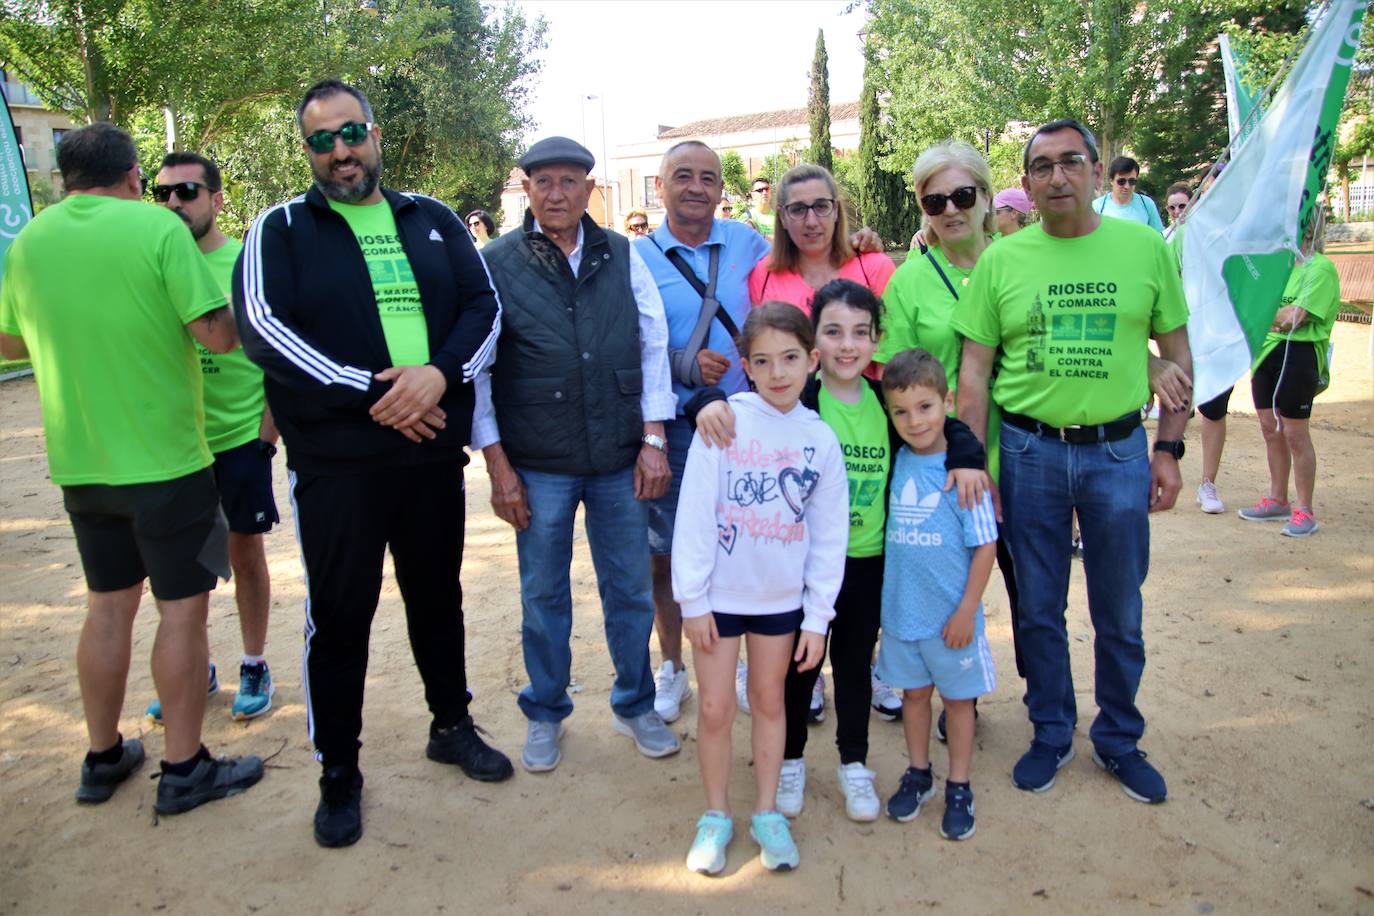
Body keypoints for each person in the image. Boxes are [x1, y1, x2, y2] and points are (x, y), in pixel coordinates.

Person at [235, 79, 512, 849]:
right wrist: (373, 393)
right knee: (341, 618)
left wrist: (440, 376)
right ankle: (338, 774)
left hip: (428, 452)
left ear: (375, 133)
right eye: (322, 140)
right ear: (307, 150)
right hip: (339, 465)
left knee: (437, 598)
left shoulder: (433, 217)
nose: (340, 152)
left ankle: (450, 725)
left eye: (350, 133)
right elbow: (265, 331)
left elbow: (483, 308)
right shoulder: (281, 228)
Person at [0, 122, 263, 814]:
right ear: (131, 176)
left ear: (65, 178)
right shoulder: (157, 232)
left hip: (82, 465)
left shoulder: (31, 240)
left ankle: (103, 755)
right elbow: (218, 334)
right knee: (183, 613)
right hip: (169, 464)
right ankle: (185, 769)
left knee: (108, 608)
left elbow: (7, 342)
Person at [686, 280, 987, 823]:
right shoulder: (799, 398)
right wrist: (704, 399)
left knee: (853, 667)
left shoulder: (883, 403)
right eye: (833, 331)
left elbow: (941, 424)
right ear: (815, 344)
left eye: (860, 332)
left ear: (877, 339)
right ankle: (793, 759)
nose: (847, 345)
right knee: (798, 673)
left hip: (870, 562)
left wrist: (967, 453)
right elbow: (742, 408)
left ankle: (854, 763)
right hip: (801, 566)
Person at [955, 118, 1193, 805]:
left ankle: (1118, 737)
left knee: (1119, 608)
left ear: (1095, 170)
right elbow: (975, 375)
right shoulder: (1002, 260)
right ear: (1027, 182)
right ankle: (1052, 731)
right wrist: (972, 464)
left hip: (1118, 455)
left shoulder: (1145, 249)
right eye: (1041, 166)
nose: (1057, 176)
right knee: (1037, 608)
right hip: (1028, 455)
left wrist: (1169, 449)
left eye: (1071, 162)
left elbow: (1177, 358)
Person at [472, 135, 681, 774]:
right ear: (527, 189)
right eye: (544, 182)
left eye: (569, 181)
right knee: (543, 593)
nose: (556, 193)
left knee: (629, 589)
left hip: (620, 456)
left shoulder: (623, 254)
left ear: (590, 189)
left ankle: (636, 703)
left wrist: (652, 440)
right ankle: (544, 711)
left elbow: (651, 345)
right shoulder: (495, 261)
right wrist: (498, 466)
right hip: (538, 462)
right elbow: (478, 369)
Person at [672, 303, 848, 875]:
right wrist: (692, 601)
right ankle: (717, 815)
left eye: (791, 359)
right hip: (719, 603)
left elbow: (828, 536)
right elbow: (694, 515)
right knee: (718, 708)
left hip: (781, 603)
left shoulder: (819, 440)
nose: (778, 373)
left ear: (813, 361)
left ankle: (767, 812)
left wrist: (818, 618)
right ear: (745, 366)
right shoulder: (723, 422)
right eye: (764, 361)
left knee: (771, 703)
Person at [877, 139, 1018, 743]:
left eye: (963, 195)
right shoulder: (909, 281)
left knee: (1030, 589)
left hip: (1021, 450)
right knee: (945, 578)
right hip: (944, 465)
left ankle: (1048, 703)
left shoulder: (1019, 262)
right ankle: (961, 698)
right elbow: (897, 375)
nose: (951, 210)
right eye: (935, 201)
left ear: (987, 198)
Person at [634, 141, 771, 724]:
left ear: (721, 189)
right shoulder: (634, 257)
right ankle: (672, 666)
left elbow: (804, 278)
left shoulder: (750, 243)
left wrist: (861, 247)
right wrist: (677, 362)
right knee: (665, 554)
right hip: (672, 431)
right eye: (682, 176)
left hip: (749, 430)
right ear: (660, 187)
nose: (695, 186)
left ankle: (740, 659)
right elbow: (621, 345)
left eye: (708, 177)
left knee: (747, 548)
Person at [143, 151, 279, 726]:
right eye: (163, 193)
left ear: (217, 199)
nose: (174, 203)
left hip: (239, 438)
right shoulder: (150, 263)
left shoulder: (244, 264)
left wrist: (265, 437)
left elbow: (278, 354)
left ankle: (253, 662)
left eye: (188, 191)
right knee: (180, 565)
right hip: (175, 446)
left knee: (244, 552)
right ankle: (195, 667)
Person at [878, 348, 998, 841]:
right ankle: (920, 772)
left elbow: (985, 544)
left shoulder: (961, 470)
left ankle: (960, 784)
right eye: (901, 411)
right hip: (903, 616)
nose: (915, 421)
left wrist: (968, 610)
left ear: (947, 401)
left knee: (958, 703)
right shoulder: (895, 459)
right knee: (913, 697)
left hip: (952, 620)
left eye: (926, 407)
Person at [1236, 214, 1339, 538]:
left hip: (1300, 353)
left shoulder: (1320, 268)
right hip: (1265, 354)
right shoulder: (1277, 267)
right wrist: (1269, 316)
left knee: (1295, 433)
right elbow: (1252, 306)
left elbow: (1294, 318)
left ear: (1313, 227)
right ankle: (1277, 498)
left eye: (1303, 222)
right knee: (1270, 429)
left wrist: (1266, 315)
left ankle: (1304, 508)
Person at [747, 163, 896, 316]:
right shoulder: (762, 276)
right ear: (782, 217)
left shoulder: (874, 268)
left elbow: (893, 337)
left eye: (821, 206)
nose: (811, 222)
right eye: (798, 209)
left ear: (836, 210)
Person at [1092, 156, 1164, 232]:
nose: (1127, 186)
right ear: (1111, 181)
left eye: (1132, 181)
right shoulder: (1098, 207)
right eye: (1121, 181)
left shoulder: (1147, 204)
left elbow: (1159, 236)